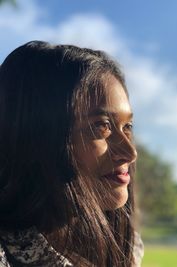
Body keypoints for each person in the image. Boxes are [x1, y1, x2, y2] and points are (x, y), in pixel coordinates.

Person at [0, 41, 144, 267]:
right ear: (37, 136)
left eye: (127, 126)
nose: (130, 152)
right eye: (101, 126)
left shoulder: (127, 246)